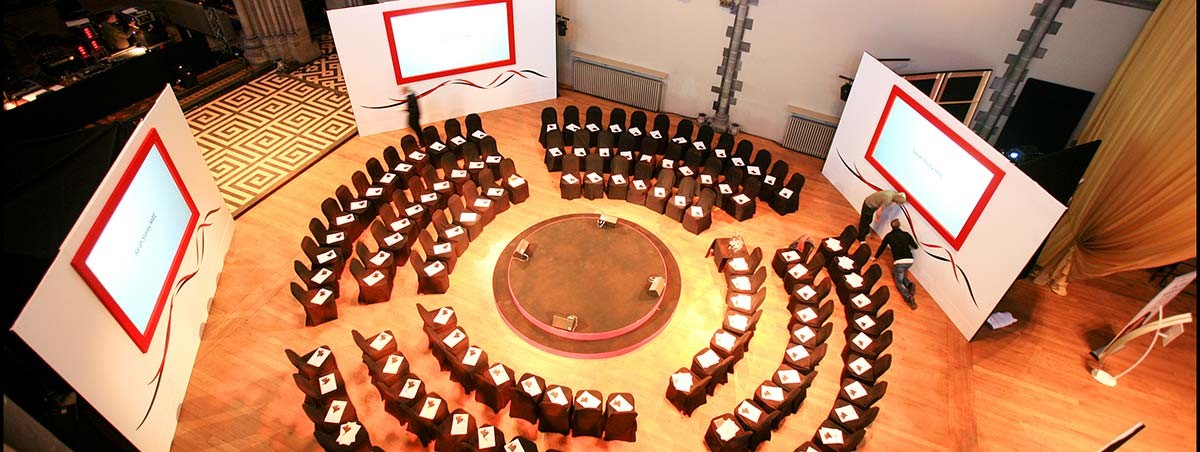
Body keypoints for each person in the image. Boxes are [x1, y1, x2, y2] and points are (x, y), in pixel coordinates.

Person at [875, 219, 919, 309]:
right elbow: (915, 246)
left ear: (891, 226)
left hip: (899, 262)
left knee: (898, 281)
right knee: (899, 272)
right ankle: (909, 284)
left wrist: (875, 257)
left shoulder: (889, 236)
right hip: (910, 261)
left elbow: (882, 247)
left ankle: (908, 297)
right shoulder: (906, 234)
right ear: (899, 225)